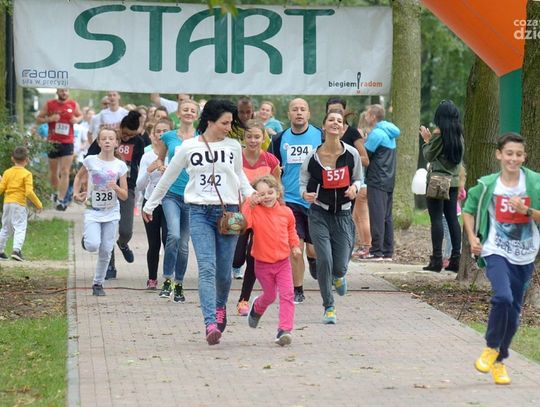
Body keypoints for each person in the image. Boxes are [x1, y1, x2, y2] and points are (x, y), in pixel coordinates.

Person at [143, 99, 255, 346]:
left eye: (230, 123)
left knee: (224, 273)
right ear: (210, 121)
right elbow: (168, 177)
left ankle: (220, 306)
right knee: (206, 268)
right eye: (224, 123)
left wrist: (252, 195)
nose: (228, 128)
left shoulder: (233, 147)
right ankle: (210, 323)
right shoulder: (188, 147)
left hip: (228, 213)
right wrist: (150, 204)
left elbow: (239, 176)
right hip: (199, 213)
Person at [463, 132, 540, 385]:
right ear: (499, 154)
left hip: (525, 254)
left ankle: (499, 360)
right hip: (495, 250)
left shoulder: (535, 183)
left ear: (524, 156)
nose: (513, 159)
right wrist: (473, 238)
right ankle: (490, 346)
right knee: (503, 297)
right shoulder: (488, 185)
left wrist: (527, 211)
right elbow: (468, 210)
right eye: (509, 154)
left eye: (518, 154)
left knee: (514, 312)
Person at [300, 110, 363, 324]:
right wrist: (305, 194)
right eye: (331, 120)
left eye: (339, 121)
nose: (335, 123)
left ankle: (339, 276)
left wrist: (354, 188)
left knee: (339, 266)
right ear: (324, 126)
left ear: (343, 129)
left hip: (343, 214)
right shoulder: (313, 156)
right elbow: (302, 182)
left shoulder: (352, 154)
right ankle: (329, 306)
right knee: (324, 259)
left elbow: (359, 178)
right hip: (319, 212)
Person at [271, 98, 322, 304]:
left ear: (308, 114)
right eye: (295, 109)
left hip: (316, 200)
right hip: (291, 200)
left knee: (313, 248)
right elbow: (273, 168)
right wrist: (277, 193)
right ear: (289, 114)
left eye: (302, 109)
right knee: (295, 247)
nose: (299, 112)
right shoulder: (278, 139)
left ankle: (314, 259)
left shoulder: (321, 136)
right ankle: (297, 289)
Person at [86, 110, 145, 278]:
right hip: (104, 188)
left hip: (127, 188)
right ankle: (109, 266)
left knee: (126, 230)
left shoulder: (139, 142)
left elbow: (142, 162)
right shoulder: (107, 138)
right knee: (107, 227)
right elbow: (89, 160)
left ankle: (123, 243)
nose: (127, 137)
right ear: (120, 127)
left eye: (131, 135)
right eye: (124, 134)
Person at [244, 175, 301, 346]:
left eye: (270, 192)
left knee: (287, 295)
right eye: (262, 194)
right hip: (262, 264)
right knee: (269, 296)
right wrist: (249, 203)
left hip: (283, 263)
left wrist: (295, 246)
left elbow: (291, 230)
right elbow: (244, 223)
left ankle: (284, 330)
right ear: (256, 196)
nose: (267, 196)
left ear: (278, 192)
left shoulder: (286, 212)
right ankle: (257, 307)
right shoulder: (255, 211)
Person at [153, 99, 199, 302]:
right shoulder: (169, 136)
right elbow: (160, 158)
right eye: (185, 110)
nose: (188, 112)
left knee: (183, 244)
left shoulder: (201, 137)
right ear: (178, 114)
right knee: (173, 235)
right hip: (171, 194)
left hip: (192, 196)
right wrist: (160, 166)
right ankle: (167, 279)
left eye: (192, 110)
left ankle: (179, 284)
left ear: (196, 115)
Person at [234, 120, 281, 315]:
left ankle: (243, 300)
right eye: (249, 136)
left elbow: (277, 188)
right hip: (240, 214)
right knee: (236, 259)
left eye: (257, 137)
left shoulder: (270, 160)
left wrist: (279, 213)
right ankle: (235, 267)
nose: (253, 140)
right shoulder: (236, 158)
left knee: (252, 257)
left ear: (263, 139)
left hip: (263, 216)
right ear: (243, 138)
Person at [73, 128, 128, 296]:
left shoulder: (120, 165)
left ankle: (98, 283)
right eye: (104, 138)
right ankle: (87, 239)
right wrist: (75, 193)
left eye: (111, 138)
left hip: (111, 213)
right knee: (92, 245)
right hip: (93, 211)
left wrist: (116, 187)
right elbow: (78, 177)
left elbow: (125, 195)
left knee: (106, 250)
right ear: (98, 142)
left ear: (116, 143)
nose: (107, 141)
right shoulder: (90, 160)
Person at [420, 100, 464, 272]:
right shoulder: (459, 135)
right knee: (453, 219)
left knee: (437, 219)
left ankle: (437, 260)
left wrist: (426, 140)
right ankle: (456, 259)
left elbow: (429, 155)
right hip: (453, 182)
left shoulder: (439, 134)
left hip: (437, 182)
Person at [324, 99, 370, 259]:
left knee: (345, 220)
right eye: (331, 111)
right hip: (326, 185)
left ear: (344, 112)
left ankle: (343, 254)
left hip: (347, 187)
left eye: (338, 111)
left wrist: (344, 158)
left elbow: (365, 159)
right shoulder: (323, 134)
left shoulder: (352, 133)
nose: (335, 114)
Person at [135, 119, 171, 290]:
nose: (161, 134)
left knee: (169, 240)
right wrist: (149, 171)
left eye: (165, 131)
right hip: (151, 202)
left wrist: (168, 172)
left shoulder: (175, 154)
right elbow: (139, 185)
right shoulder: (147, 156)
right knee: (154, 243)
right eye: (158, 131)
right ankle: (152, 278)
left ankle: (169, 278)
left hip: (171, 202)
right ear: (153, 135)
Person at [362, 104, 400, 261]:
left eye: (367, 114)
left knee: (376, 215)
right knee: (386, 217)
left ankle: (376, 251)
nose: (365, 117)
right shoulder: (389, 132)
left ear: (373, 116)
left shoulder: (376, 134)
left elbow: (365, 155)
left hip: (377, 179)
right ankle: (387, 251)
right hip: (388, 179)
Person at [36, 88, 83, 211]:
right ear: (57, 92)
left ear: (69, 92)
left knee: (65, 171)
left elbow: (80, 115)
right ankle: (55, 193)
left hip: (67, 142)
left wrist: (76, 120)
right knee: (53, 172)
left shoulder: (73, 104)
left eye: (66, 91)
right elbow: (39, 119)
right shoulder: (50, 104)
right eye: (62, 91)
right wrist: (49, 119)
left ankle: (61, 200)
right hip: (53, 142)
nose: (64, 93)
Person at [0, 147, 43, 261]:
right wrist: (38, 204)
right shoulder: (27, 174)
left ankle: (0, 251)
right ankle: (16, 250)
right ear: (27, 159)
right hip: (19, 204)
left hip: (7, 203)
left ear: (12, 159)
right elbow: (28, 192)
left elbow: (1, 189)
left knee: (5, 228)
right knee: (20, 227)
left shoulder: (7, 173)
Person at [352, 110, 373, 258]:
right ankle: (363, 244)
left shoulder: (358, 134)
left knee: (362, 217)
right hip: (366, 181)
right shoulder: (371, 135)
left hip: (362, 182)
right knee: (356, 216)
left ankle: (367, 246)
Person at [442, 165, 467, 268]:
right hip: (450, 213)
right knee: (451, 235)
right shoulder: (453, 183)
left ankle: (450, 257)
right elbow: (462, 195)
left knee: (451, 235)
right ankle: (449, 256)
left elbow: (462, 195)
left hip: (451, 213)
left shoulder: (454, 183)